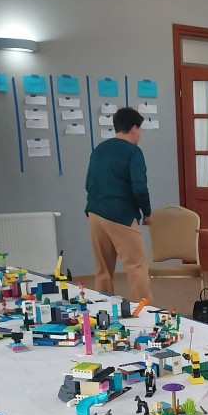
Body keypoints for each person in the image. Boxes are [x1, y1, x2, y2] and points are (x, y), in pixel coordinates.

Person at [85, 106, 153, 301]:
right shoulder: (133, 152)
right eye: (140, 129)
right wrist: (147, 212)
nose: (140, 133)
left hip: (95, 212)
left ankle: (103, 307)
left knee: (103, 269)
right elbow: (140, 188)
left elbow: (88, 183)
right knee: (136, 265)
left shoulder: (99, 149)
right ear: (134, 128)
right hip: (121, 215)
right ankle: (145, 310)